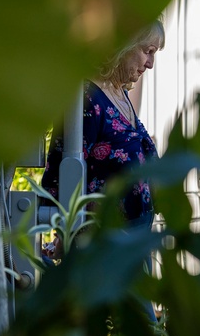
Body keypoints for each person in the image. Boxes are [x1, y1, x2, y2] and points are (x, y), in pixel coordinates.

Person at [42, 21, 164, 232]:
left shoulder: (119, 93)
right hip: (104, 241)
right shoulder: (86, 98)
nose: (150, 63)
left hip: (133, 238)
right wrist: (67, 234)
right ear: (124, 45)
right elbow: (60, 174)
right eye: (148, 51)